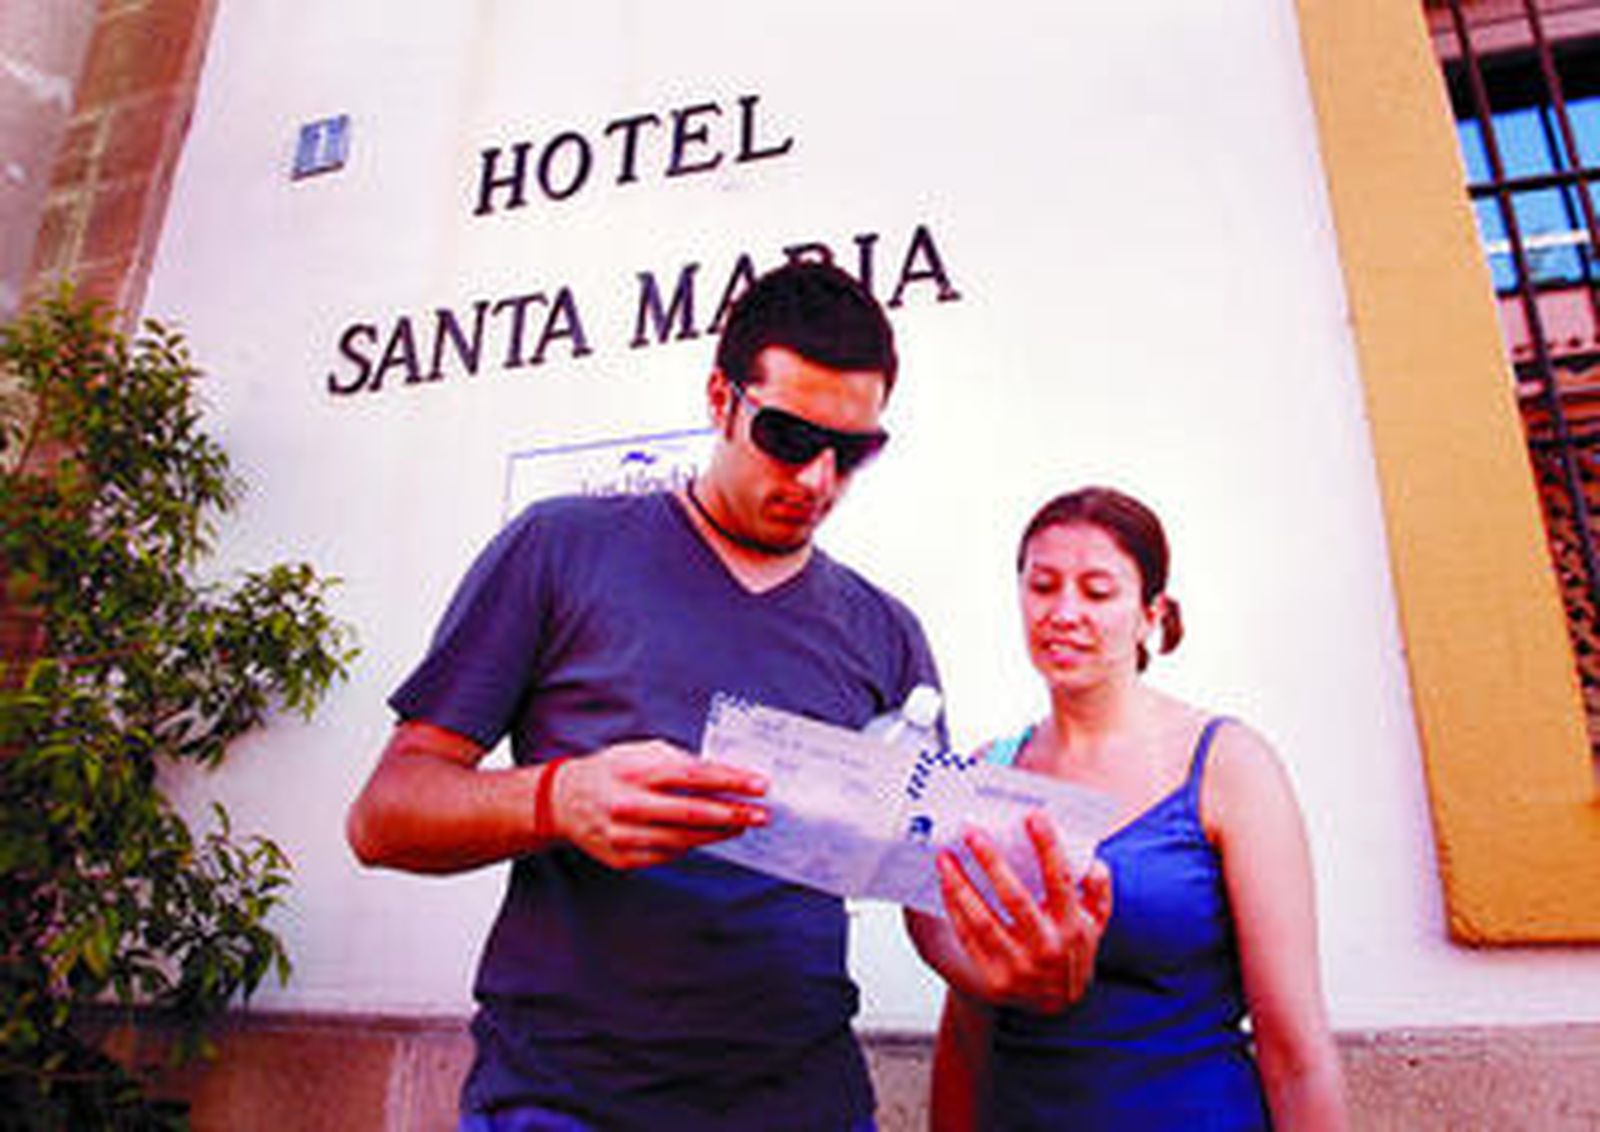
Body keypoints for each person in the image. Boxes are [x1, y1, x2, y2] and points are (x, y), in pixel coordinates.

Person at [344, 262, 1101, 1132]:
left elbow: (923, 892)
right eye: (787, 435)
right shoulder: (559, 549)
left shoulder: (887, 633)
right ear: (719, 398)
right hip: (567, 1103)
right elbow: (385, 813)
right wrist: (558, 797)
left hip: (806, 1104)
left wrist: (1009, 966)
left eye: (853, 451)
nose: (819, 478)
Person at [907, 486, 1348, 1130]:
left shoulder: (1229, 767)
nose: (1063, 612)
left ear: (1150, 615)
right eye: (1043, 586)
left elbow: (1295, 1051)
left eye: (1097, 591)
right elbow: (969, 1030)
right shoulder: (988, 772)